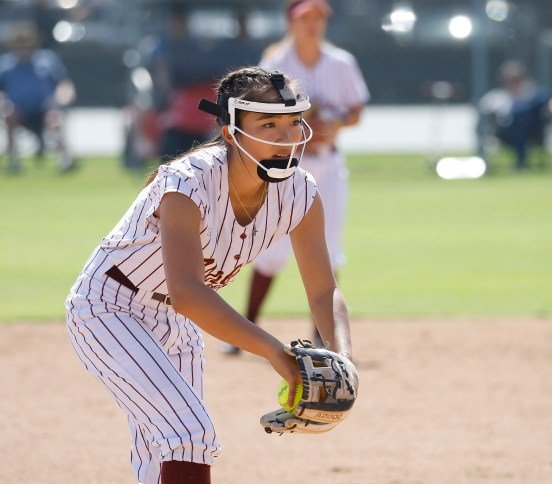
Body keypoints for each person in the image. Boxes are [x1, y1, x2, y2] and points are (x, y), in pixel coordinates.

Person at [65, 67, 354, 484]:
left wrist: (344, 357)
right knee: (190, 434)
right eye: (268, 123)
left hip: (179, 323)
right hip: (110, 307)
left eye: (293, 122)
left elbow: (324, 290)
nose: (286, 135)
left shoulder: (300, 192)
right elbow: (187, 291)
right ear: (232, 132)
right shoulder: (187, 182)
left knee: (162, 454)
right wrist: (274, 351)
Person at [222, 0, 369, 355]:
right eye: (306, 18)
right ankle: (245, 330)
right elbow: (259, 113)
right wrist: (306, 119)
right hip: (283, 167)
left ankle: (323, 337)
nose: (313, 24)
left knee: (330, 248)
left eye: (319, 17)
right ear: (292, 21)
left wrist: (334, 123)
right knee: (271, 250)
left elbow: (356, 109)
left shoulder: (341, 62)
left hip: (328, 165)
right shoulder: (275, 63)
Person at [0, 22, 76, 173]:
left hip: (45, 109)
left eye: (29, 44)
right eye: (22, 44)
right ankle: (13, 160)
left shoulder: (47, 60)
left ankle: (65, 159)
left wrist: (61, 99)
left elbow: (64, 84)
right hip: (18, 110)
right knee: (9, 116)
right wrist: (4, 103)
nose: (26, 48)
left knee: (54, 119)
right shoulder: (6, 64)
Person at [147, 5, 220, 162]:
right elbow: (162, 77)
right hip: (173, 106)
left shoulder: (195, 46)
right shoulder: (163, 46)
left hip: (201, 106)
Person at [478, 60, 550, 170]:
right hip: (505, 132)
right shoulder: (497, 96)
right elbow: (484, 109)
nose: (514, 81)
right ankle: (519, 161)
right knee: (516, 124)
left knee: (521, 119)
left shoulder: (532, 93)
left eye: (517, 78)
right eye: (510, 79)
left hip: (531, 130)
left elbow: (545, 104)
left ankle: (521, 161)